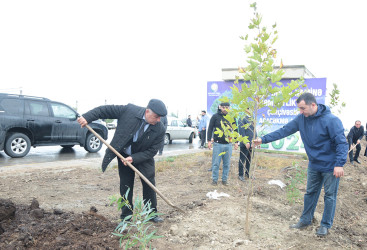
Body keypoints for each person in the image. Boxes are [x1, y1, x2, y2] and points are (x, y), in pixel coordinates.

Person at [253, 93, 348, 237]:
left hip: (331, 165)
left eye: (303, 108)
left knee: (329, 196)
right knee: (310, 193)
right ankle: (305, 220)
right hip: (314, 164)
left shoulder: (331, 120)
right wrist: (263, 139)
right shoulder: (301, 119)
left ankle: (325, 225)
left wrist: (339, 164)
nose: (301, 111)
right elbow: (283, 131)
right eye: (299, 109)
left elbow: (341, 143)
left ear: (313, 105)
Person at [77, 99, 167, 223]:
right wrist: (87, 117)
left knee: (149, 184)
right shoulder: (129, 110)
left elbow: (152, 151)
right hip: (124, 155)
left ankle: (151, 214)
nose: (158, 120)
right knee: (125, 185)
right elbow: (105, 110)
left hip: (143, 157)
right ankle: (126, 215)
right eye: (156, 117)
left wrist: (135, 158)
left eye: (160, 118)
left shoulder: (160, 128)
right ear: (147, 112)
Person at [207, 102, 238, 185]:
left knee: (227, 164)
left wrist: (236, 142)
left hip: (228, 145)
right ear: (219, 107)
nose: (225, 109)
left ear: (229, 108)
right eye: (223, 107)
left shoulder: (231, 117)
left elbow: (235, 130)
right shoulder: (215, 117)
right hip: (217, 144)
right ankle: (214, 180)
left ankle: (224, 180)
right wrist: (209, 141)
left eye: (227, 107)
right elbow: (210, 129)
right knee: (216, 164)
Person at [238, 115, 256, 182]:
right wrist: (246, 142)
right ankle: (240, 175)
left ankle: (247, 173)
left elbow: (254, 130)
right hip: (245, 144)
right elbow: (241, 131)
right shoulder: (242, 118)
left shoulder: (252, 118)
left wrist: (256, 140)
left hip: (252, 143)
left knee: (249, 160)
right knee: (242, 160)